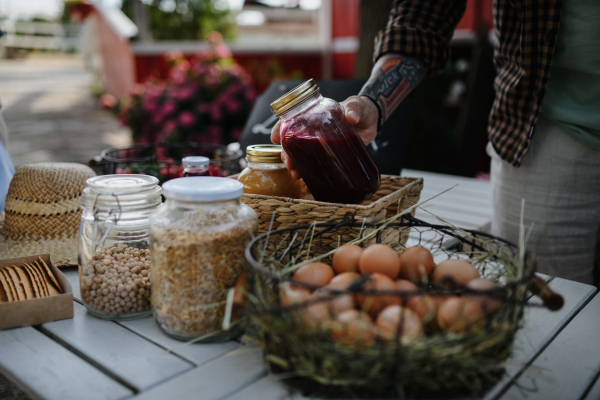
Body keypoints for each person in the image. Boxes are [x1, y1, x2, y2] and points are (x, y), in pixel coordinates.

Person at [271, 1, 600, 285]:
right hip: (542, 124)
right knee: (547, 282)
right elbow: (423, 13)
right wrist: (371, 101)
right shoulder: (313, 118)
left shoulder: (324, 110)